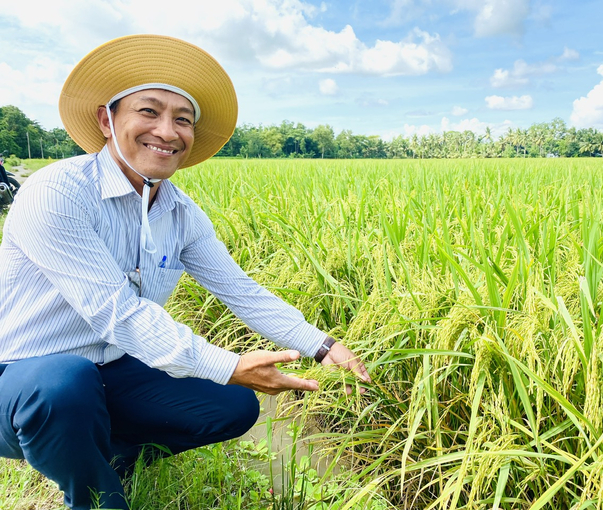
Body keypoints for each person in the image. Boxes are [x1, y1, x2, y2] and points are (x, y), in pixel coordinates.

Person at [0, 34, 370, 510]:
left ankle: (117, 454)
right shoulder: (59, 192)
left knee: (233, 406)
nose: (168, 131)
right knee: (65, 383)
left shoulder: (180, 213)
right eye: (149, 112)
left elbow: (239, 289)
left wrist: (321, 345)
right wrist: (228, 364)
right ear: (106, 120)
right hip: (22, 379)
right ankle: (95, 494)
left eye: (183, 119)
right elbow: (117, 314)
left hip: (109, 371)